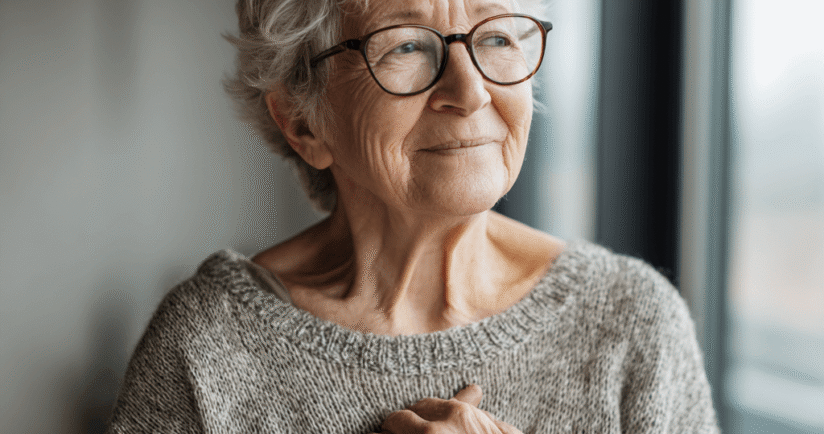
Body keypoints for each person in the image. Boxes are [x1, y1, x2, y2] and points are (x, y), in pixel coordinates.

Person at [106, 0, 720, 432]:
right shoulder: (209, 346)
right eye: (405, 46)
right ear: (303, 120)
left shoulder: (631, 320)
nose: (471, 89)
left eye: (498, 37)